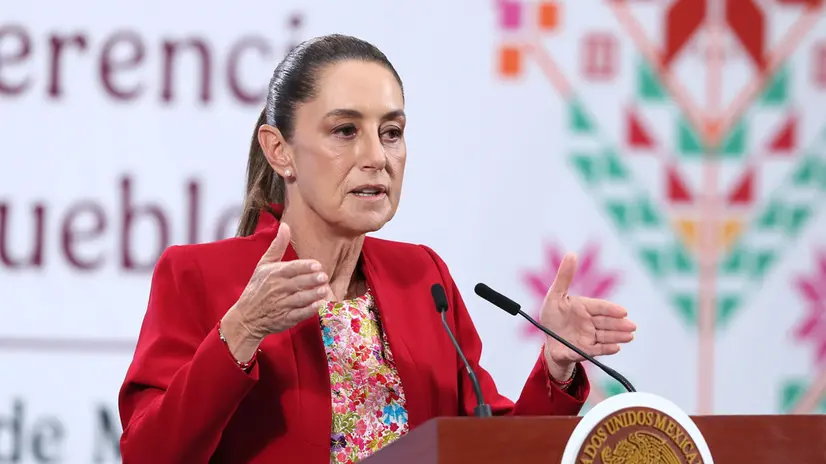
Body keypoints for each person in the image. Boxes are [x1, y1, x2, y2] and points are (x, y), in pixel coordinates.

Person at [117, 34, 636, 464]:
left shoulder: (422, 276)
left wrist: (556, 367)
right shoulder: (199, 277)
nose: (376, 157)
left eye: (391, 132)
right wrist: (241, 332)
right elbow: (149, 454)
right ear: (280, 150)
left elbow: (487, 447)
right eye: (345, 130)